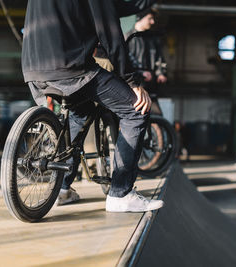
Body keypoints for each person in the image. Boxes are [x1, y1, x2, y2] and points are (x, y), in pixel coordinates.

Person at [22, 0, 164, 212]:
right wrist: (131, 81)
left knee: (80, 112)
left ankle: (61, 188)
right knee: (136, 109)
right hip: (72, 69)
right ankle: (120, 193)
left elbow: (115, 8)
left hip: (32, 69)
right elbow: (111, 33)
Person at [125, 8, 168, 115]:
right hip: (134, 85)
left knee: (157, 118)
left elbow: (159, 58)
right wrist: (141, 72)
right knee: (133, 116)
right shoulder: (128, 37)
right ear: (141, 18)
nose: (152, 22)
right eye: (150, 18)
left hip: (151, 85)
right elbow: (125, 60)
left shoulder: (152, 39)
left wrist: (161, 73)